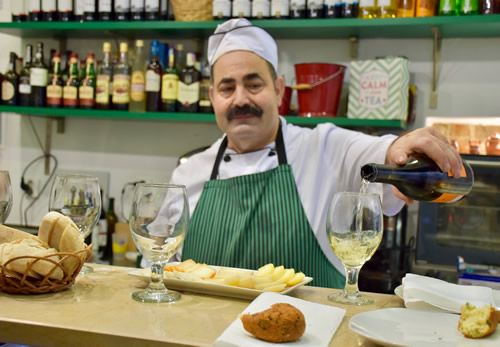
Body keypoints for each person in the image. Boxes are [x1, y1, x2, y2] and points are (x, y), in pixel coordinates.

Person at [171, 18, 463, 288]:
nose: (240, 99)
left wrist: (399, 149)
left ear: (278, 89)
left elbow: (379, 152)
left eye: (254, 84)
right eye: (226, 88)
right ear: (212, 97)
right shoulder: (189, 171)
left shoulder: (325, 147)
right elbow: (159, 265)